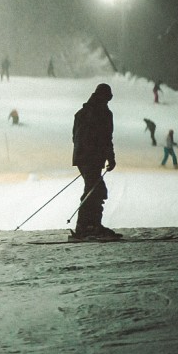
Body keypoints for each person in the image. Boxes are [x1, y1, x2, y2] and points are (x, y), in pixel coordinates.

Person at [71, 84, 120, 240]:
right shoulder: (104, 114)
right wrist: (110, 158)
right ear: (106, 97)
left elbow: (74, 137)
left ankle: (89, 225)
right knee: (95, 190)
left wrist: (83, 154)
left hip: (81, 157)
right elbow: (106, 139)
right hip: (92, 158)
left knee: (94, 189)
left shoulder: (81, 113)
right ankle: (88, 226)